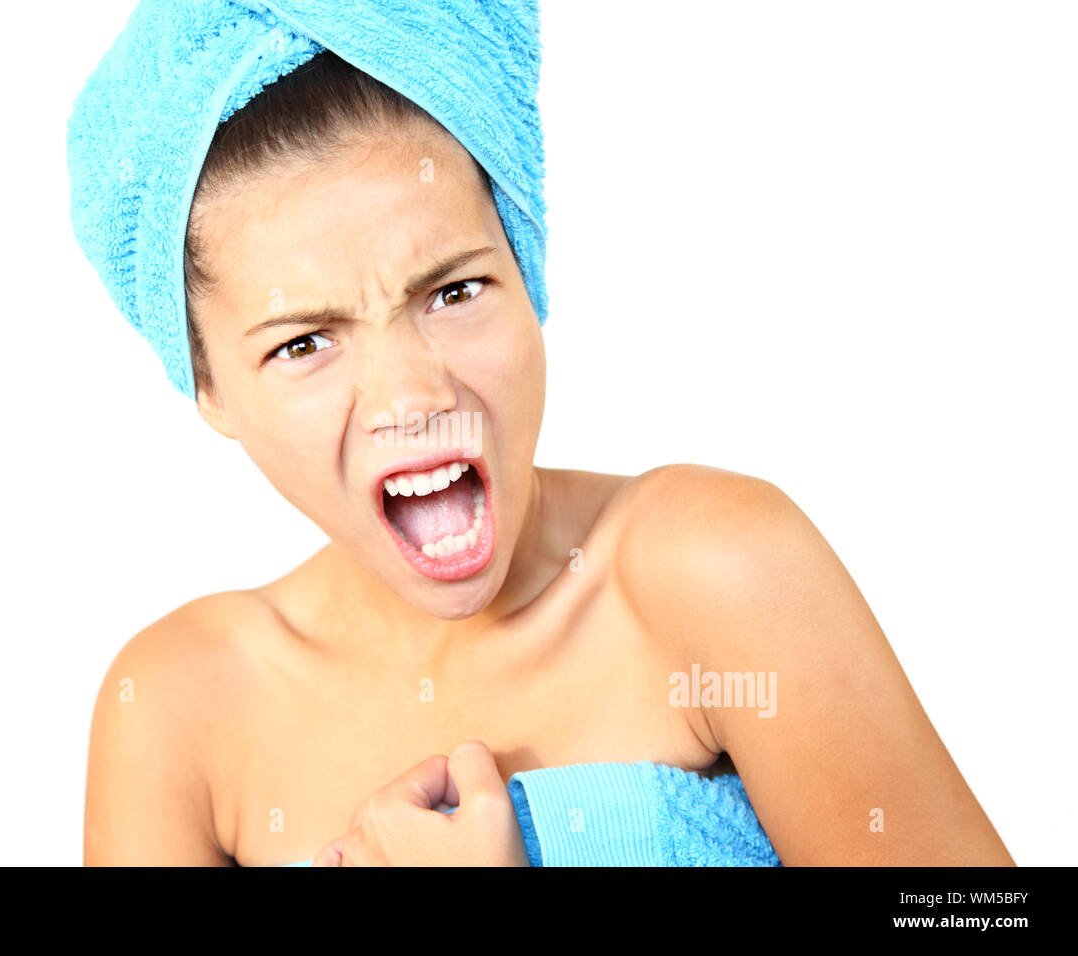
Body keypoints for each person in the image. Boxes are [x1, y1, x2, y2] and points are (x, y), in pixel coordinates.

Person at [77, 44, 1014, 868]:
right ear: (209, 391)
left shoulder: (717, 571)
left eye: (452, 291)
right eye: (304, 344)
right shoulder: (172, 716)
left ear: (527, 268)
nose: (412, 399)